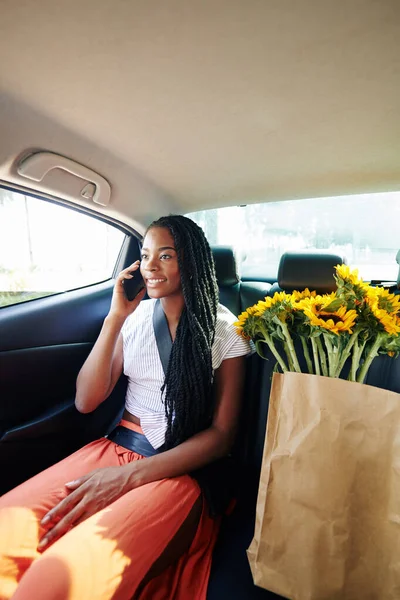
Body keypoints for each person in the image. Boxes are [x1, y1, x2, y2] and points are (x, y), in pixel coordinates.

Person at [0, 215, 250, 600]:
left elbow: (220, 437)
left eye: (165, 256)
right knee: (5, 529)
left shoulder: (225, 331)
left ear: (193, 261)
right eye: (145, 255)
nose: (150, 266)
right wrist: (116, 317)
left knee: (55, 579)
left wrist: (130, 479)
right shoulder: (131, 320)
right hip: (111, 449)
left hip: (175, 466)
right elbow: (87, 400)